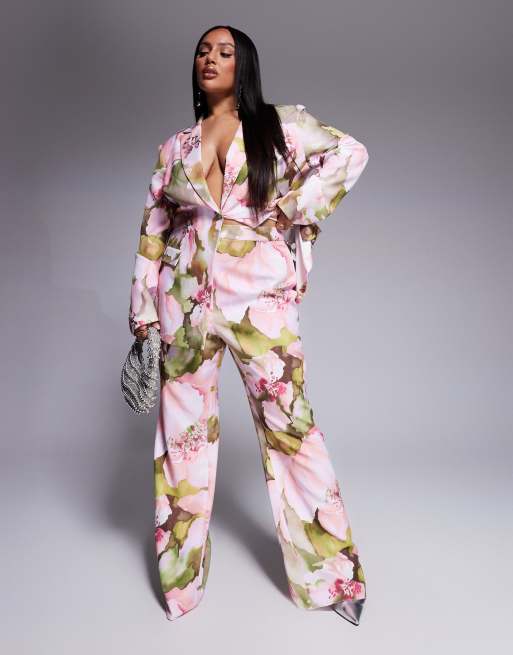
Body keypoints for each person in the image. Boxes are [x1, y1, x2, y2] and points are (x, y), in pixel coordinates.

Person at [127, 24, 370, 625]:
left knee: (291, 427)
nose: (210, 59)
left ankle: (332, 578)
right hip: (183, 303)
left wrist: (290, 211)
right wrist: (144, 318)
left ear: (246, 65)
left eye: (224, 52)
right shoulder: (175, 147)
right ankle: (181, 585)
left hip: (259, 303)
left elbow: (350, 154)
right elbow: (153, 233)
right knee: (180, 439)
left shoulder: (277, 126)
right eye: (202, 52)